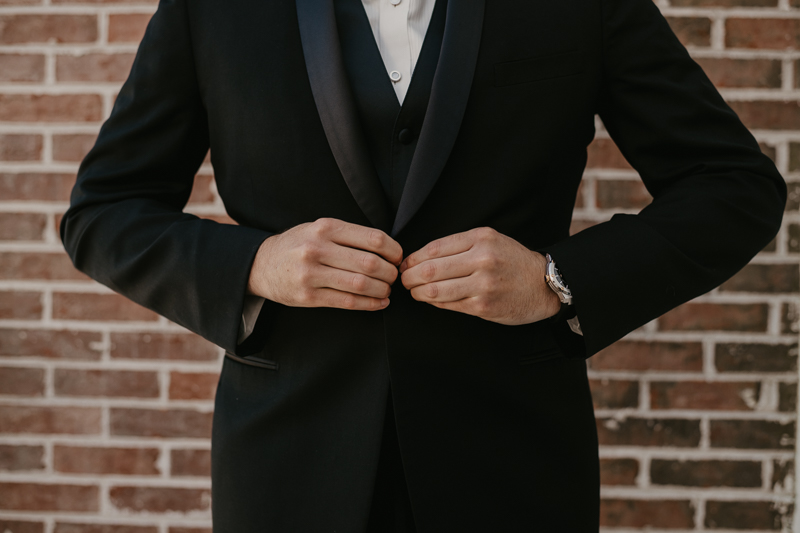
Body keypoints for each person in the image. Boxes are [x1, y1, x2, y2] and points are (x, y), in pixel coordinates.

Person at [60, 0, 786, 530]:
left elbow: (734, 186)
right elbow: (103, 210)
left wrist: (554, 279)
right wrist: (256, 264)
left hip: (515, 465)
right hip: (288, 470)